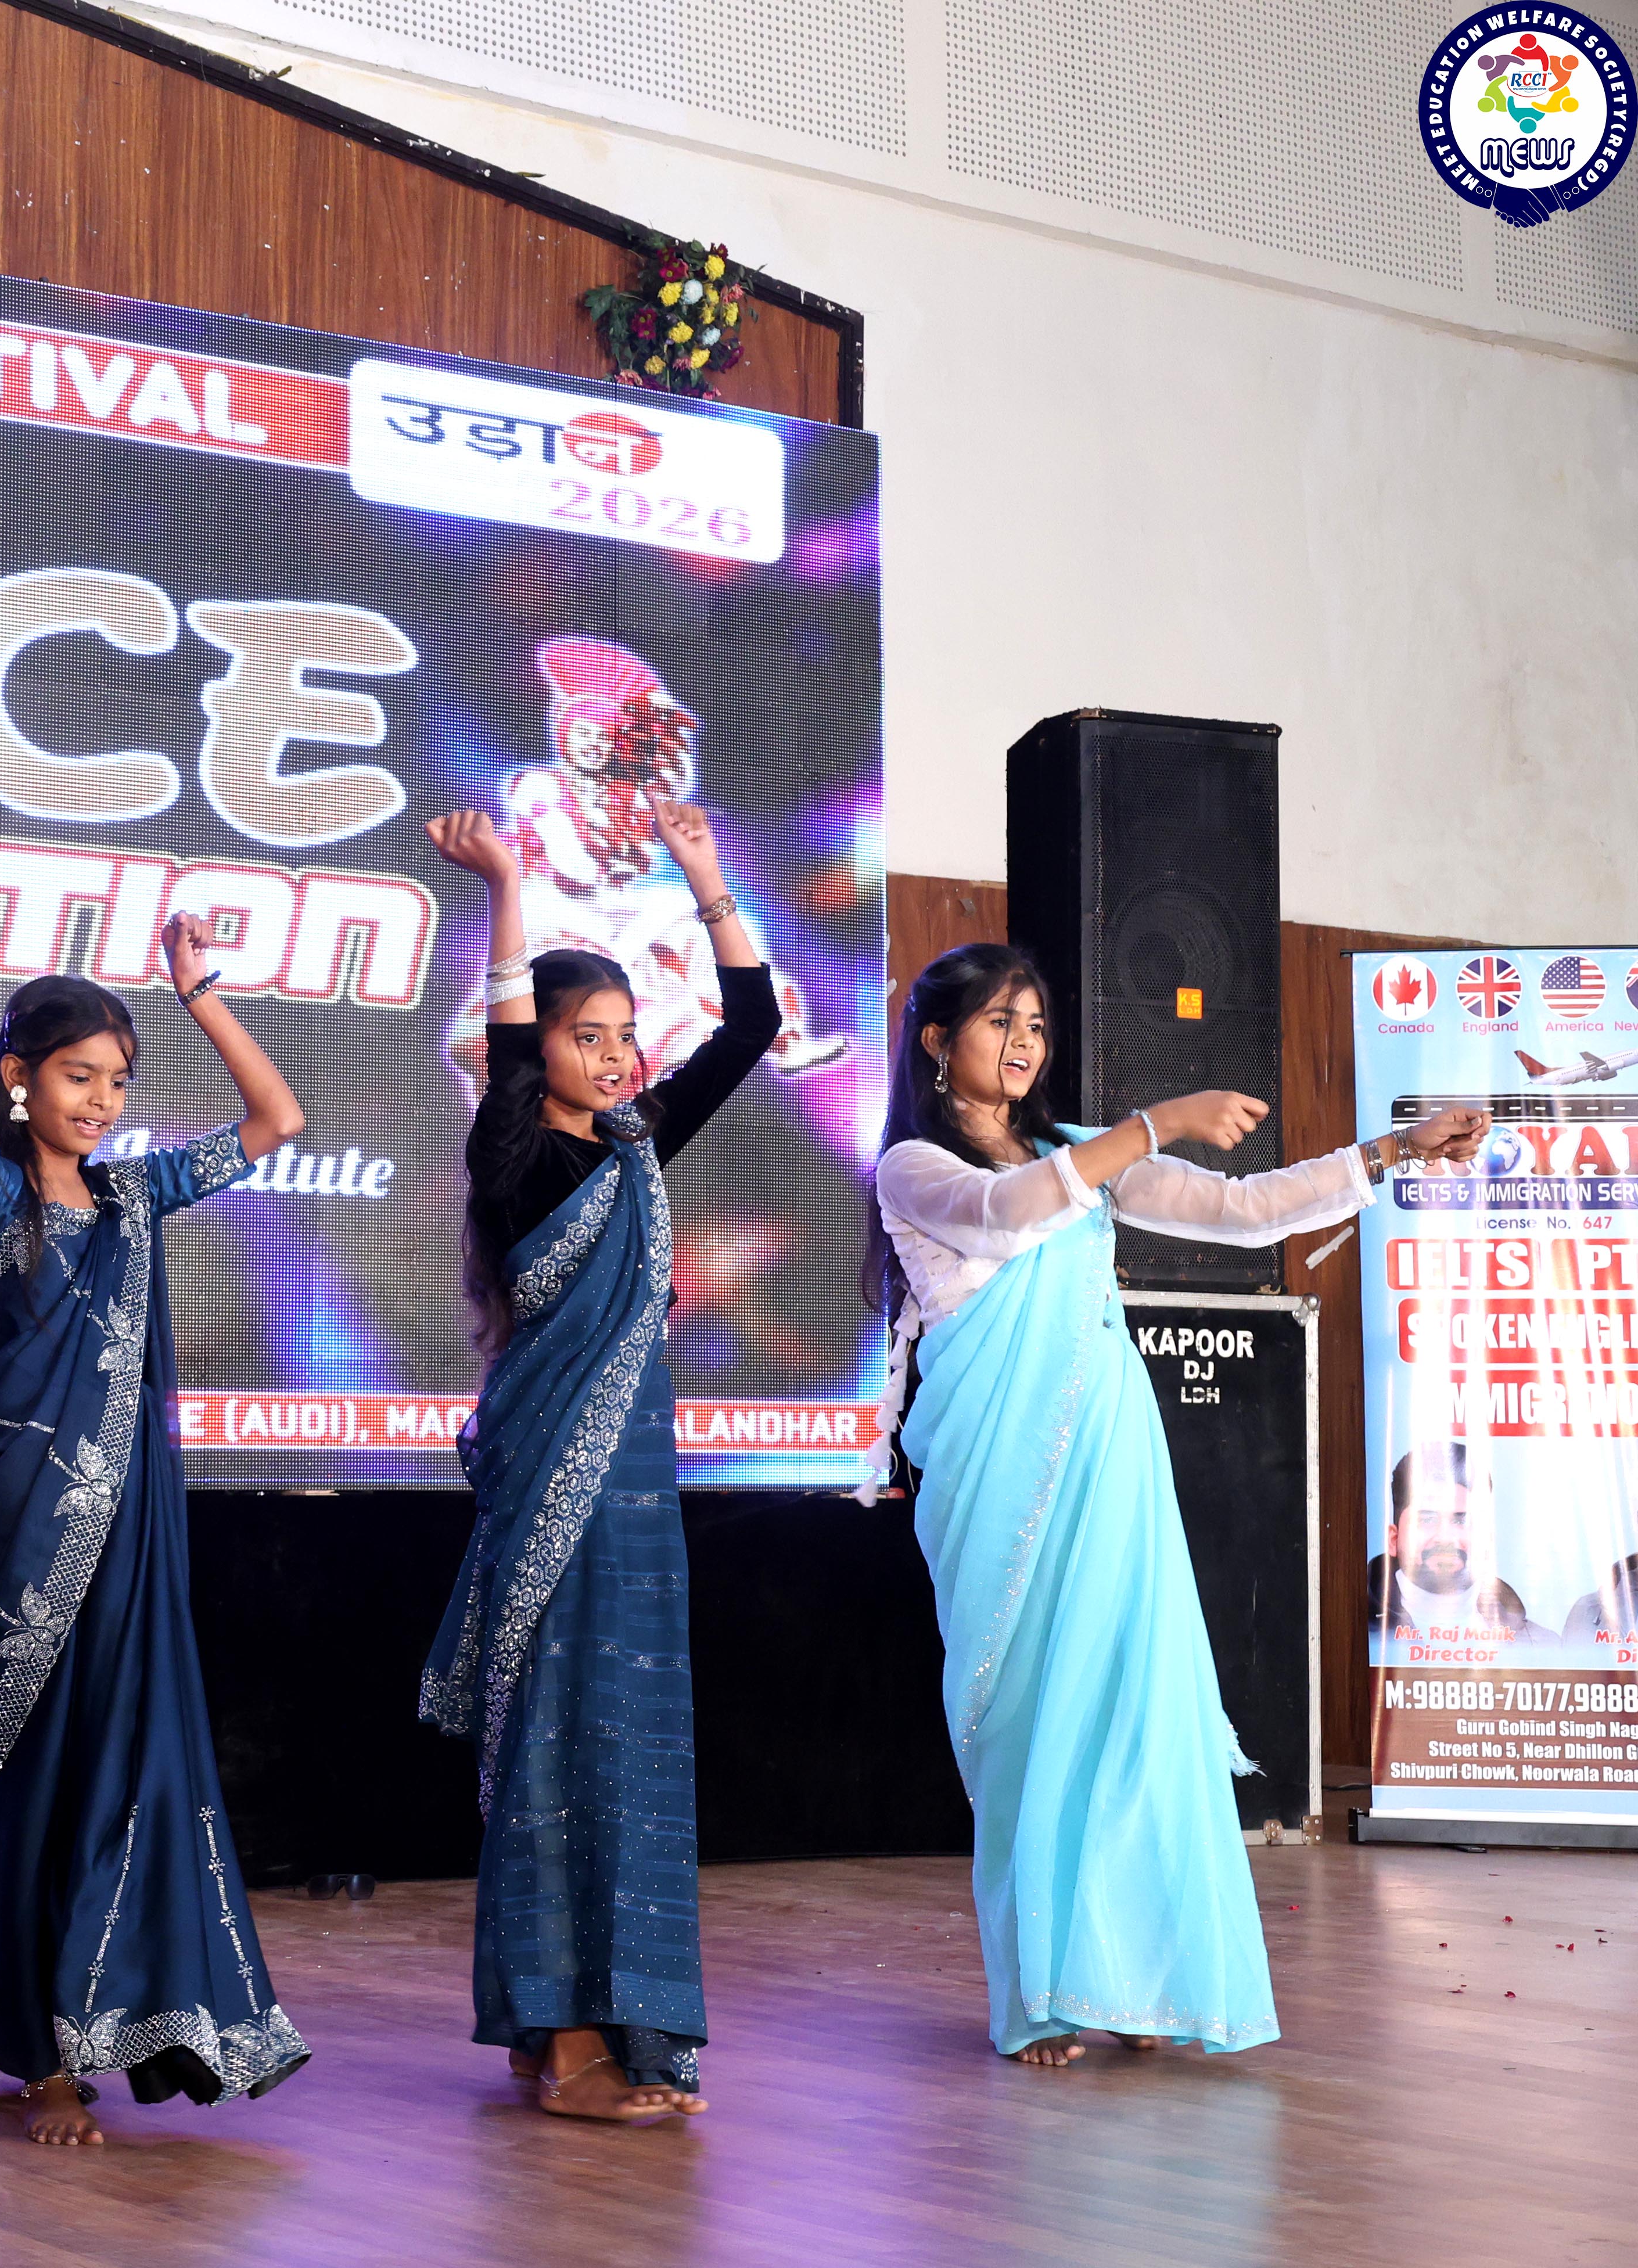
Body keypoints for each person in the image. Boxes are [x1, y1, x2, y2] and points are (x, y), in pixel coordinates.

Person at [858, 942, 1486, 2068]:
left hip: (1115, 1472)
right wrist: (1154, 1124)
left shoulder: (1074, 1151)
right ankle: (1043, 1995)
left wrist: (1392, 1150)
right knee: (1033, 1724)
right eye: (1001, 1020)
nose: (1024, 1042)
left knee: (1139, 1716)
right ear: (939, 1039)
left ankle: (1135, 1982)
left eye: (1037, 1024)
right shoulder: (916, 1166)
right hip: (1002, 1487)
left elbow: (1245, 1210)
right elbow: (1005, 1215)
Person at [0, 883, 312, 2147]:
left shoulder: (135, 1200)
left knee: (130, 1763)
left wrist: (197, 992)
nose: (101, 1099)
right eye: (76, 1075)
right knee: (39, 1781)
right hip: (20, 1533)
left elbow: (278, 1118)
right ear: (21, 1077)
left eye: (117, 1080)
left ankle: (127, 2013)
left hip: (130, 1538)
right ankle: (45, 2056)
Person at [416, 797, 778, 2126]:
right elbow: (511, 1048)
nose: (617, 1056)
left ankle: (600, 2033)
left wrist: (706, 870)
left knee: (628, 1741)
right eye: (591, 1035)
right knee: (559, 1741)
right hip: (553, 1489)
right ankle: (563, 2044)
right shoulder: (515, 1151)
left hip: (635, 1500)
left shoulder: (637, 1146)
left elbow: (751, 1025)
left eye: (627, 1035)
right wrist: (508, 886)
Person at [439, 636, 837, 1094]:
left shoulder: (622, 796)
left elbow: (659, 808)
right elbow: (574, 867)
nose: (591, 744)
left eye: (601, 735)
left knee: (691, 930)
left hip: (604, 907)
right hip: (551, 911)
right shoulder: (540, 785)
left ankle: (784, 1040)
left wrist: (653, 747)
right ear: (563, 735)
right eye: (581, 732)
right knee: (563, 1013)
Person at [1364, 1444, 1543, 1643]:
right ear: (1394, 1540)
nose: (1446, 1538)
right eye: (1427, 1519)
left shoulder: (1539, 1644)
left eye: (1461, 1521)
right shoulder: (1356, 1634)